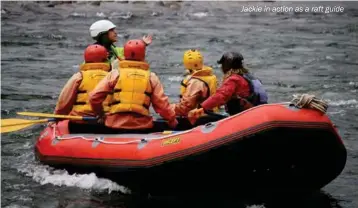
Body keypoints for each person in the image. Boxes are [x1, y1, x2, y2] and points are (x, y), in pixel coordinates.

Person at [89, 39, 178, 133]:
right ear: (143, 55)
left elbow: (94, 97)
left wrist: (100, 114)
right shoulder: (151, 77)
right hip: (142, 125)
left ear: (125, 55)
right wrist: (172, 120)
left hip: (114, 125)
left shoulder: (114, 74)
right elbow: (162, 104)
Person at [188, 52, 268, 124]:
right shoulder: (247, 76)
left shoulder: (234, 79)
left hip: (242, 116)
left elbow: (220, 96)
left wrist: (201, 107)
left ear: (226, 65)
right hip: (252, 113)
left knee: (201, 119)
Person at [54, 44, 113, 132]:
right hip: (105, 124)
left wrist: (58, 116)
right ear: (106, 60)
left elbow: (64, 100)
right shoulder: (113, 77)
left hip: (80, 124)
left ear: (86, 60)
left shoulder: (79, 76)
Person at [88, 19, 153, 69]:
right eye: (111, 30)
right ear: (103, 34)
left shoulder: (116, 51)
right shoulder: (91, 55)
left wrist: (143, 43)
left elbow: (131, 51)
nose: (115, 33)